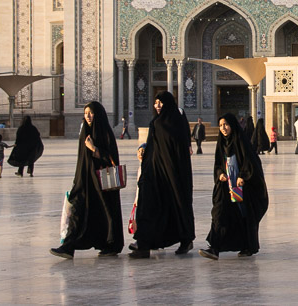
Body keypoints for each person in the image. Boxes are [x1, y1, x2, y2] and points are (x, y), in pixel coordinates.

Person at [50, 101, 124, 259]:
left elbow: (111, 159)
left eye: (91, 113)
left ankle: (110, 244)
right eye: (86, 113)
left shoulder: (104, 133)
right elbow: (81, 160)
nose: (88, 116)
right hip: (85, 182)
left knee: (105, 213)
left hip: (101, 184)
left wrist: (94, 149)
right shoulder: (85, 132)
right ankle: (68, 247)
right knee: (77, 211)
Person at [130, 91, 195, 258]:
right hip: (155, 172)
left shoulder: (176, 123)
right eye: (155, 102)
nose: (157, 105)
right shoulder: (156, 122)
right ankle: (145, 242)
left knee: (177, 205)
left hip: (173, 175)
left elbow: (179, 150)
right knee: (150, 205)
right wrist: (143, 149)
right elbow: (154, 146)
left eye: (161, 102)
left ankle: (185, 239)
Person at [199, 113, 269, 260]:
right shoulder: (221, 143)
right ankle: (214, 247)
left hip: (240, 187)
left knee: (242, 216)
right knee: (219, 213)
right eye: (220, 126)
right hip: (225, 186)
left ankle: (246, 246)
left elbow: (251, 162)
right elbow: (218, 164)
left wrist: (243, 176)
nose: (223, 128)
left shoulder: (241, 141)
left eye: (226, 125)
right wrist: (220, 174)